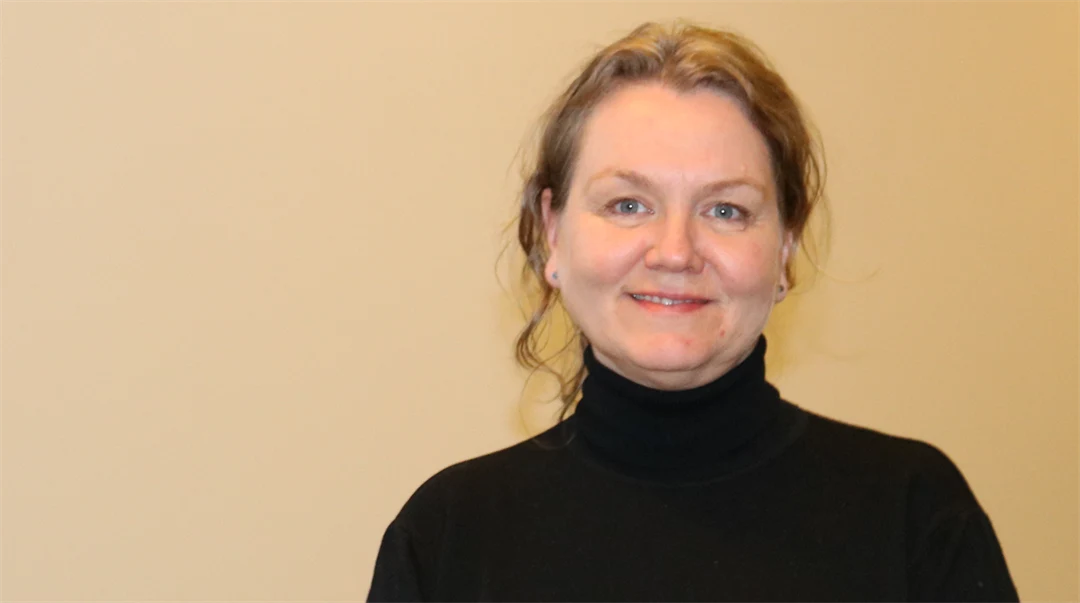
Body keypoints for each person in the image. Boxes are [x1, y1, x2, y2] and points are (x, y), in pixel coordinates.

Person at [366, 21, 1020, 602]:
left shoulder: (914, 516)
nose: (675, 251)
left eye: (726, 209)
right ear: (553, 233)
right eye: (627, 204)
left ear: (786, 248)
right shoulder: (450, 536)